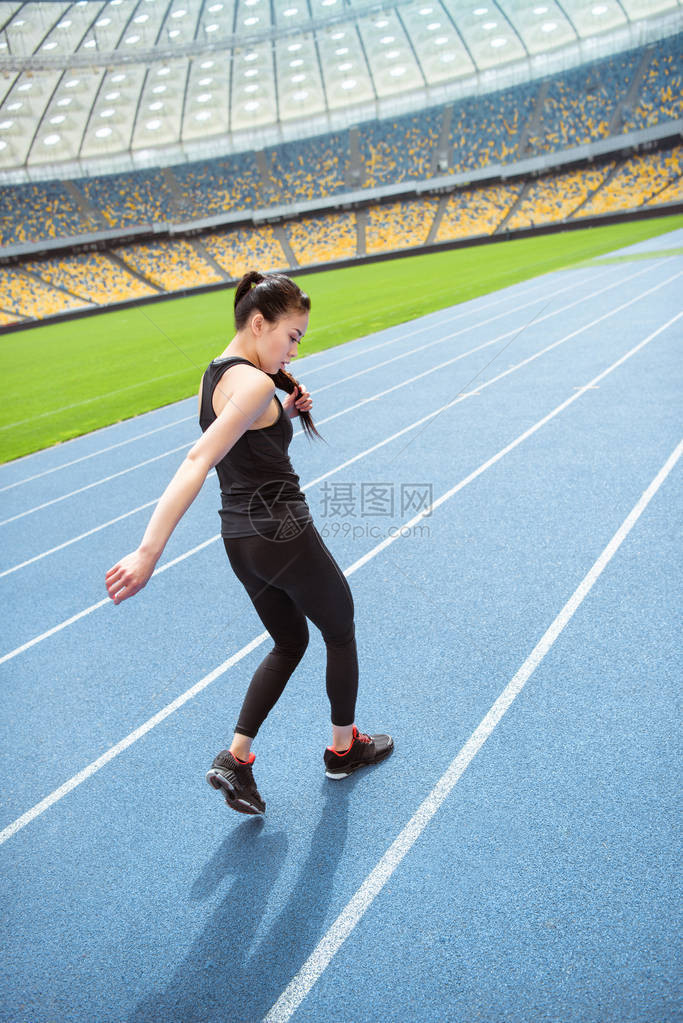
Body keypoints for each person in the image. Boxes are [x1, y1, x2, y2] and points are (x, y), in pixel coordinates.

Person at [105, 271, 393, 816]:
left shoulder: (216, 377)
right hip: (281, 529)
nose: (293, 350)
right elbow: (199, 459)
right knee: (340, 626)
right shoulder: (256, 383)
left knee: (290, 642)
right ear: (259, 323)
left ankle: (236, 759)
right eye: (292, 336)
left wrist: (283, 414)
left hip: (240, 538)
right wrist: (148, 550)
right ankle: (342, 749)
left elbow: (243, 440)